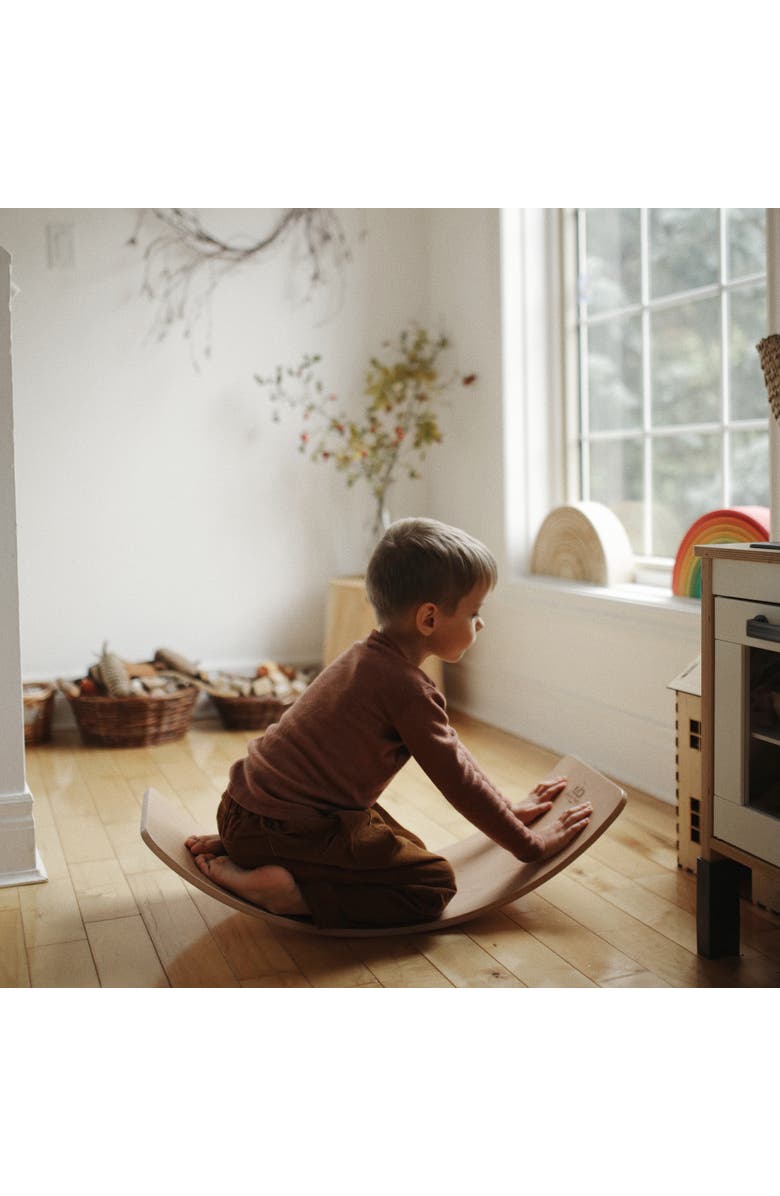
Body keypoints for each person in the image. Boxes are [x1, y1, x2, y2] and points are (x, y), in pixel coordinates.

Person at [185, 517, 592, 928]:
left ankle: (249, 850)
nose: (480, 623)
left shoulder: (362, 656)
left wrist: (508, 809)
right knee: (431, 884)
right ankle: (293, 895)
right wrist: (530, 846)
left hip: (241, 810)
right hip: (284, 829)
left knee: (405, 846)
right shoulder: (407, 690)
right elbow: (457, 781)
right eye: (474, 612)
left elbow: (456, 755)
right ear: (429, 619)